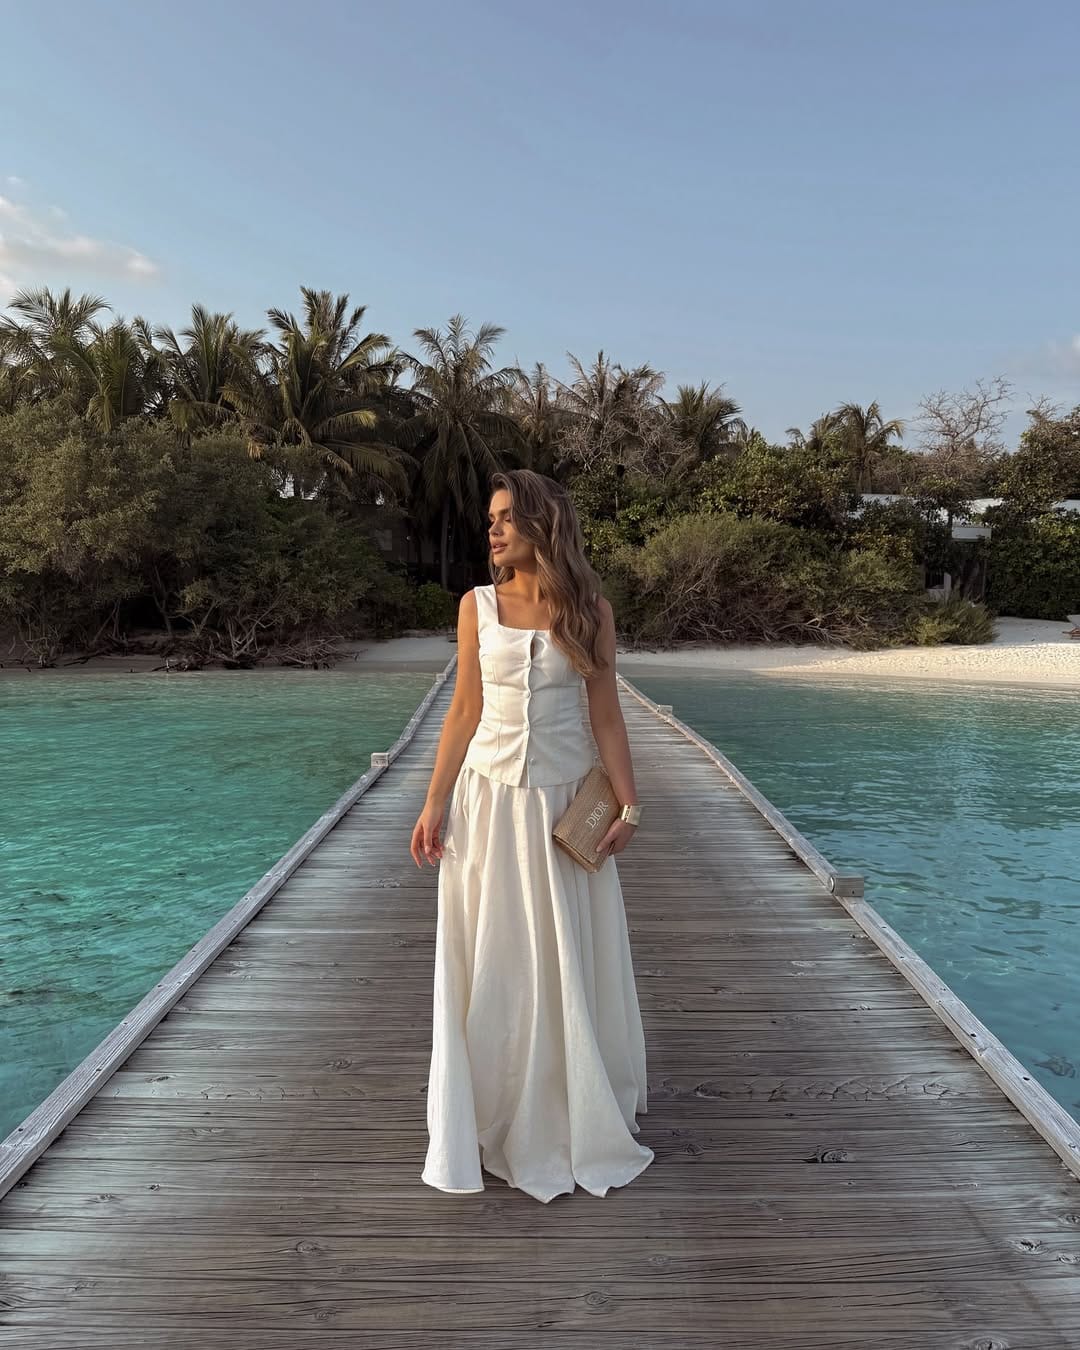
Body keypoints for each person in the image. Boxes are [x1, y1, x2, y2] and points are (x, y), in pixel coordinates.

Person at [410, 468, 654, 1203]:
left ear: (543, 524)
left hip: (562, 807)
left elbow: (607, 715)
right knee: (494, 960)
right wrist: (433, 803)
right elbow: (463, 709)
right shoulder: (476, 606)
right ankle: (490, 1111)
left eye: (507, 518)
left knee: (563, 957)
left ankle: (566, 1106)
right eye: (490, 519)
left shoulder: (590, 611)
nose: (493, 530)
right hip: (487, 805)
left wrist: (629, 808)